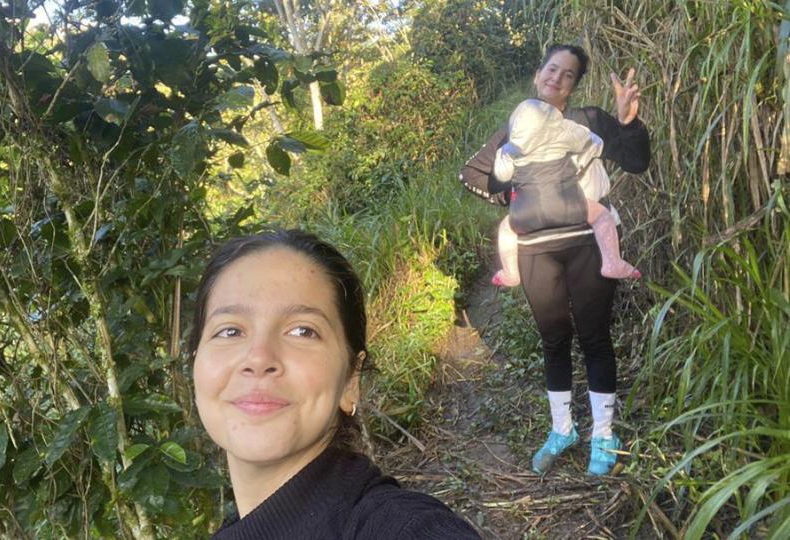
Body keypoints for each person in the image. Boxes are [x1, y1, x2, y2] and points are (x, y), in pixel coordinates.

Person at [189, 229, 481, 539]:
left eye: (303, 331)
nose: (259, 358)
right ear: (195, 364)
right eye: (230, 331)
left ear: (351, 379)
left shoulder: (401, 528)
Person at [459, 44, 650, 476]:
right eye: (552, 69)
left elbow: (636, 161)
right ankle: (562, 429)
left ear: (575, 85)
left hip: (587, 242)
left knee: (595, 337)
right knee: (554, 339)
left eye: (568, 74)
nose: (557, 78)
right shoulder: (518, 125)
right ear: (537, 74)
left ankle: (604, 434)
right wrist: (521, 193)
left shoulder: (588, 121)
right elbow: (475, 174)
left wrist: (626, 119)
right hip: (534, 249)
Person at [490, 97, 640, 287]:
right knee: (603, 216)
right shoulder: (564, 133)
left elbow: (502, 175)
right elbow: (595, 143)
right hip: (568, 204)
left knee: (506, 229)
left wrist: (503, 155)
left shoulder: (509, 149)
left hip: (525, 213)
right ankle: (613, 262)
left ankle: (511, 273)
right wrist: (580, 162)